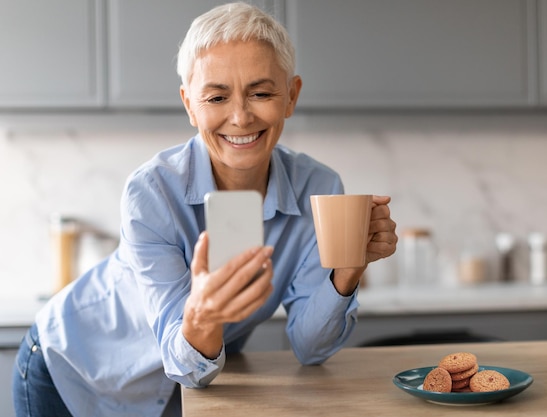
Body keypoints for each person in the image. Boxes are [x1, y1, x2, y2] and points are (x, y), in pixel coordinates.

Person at [12, 2, 398, 416]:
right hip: (74, 370)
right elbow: (184, 358)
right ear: (189, 104)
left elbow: (310, 347)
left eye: (261, 92)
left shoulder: (319, 189)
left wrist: (348, 270)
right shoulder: (152, 191)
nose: (240, 116)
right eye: (216, 96)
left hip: (185, 386)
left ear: (291, 95)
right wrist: (203, 316)